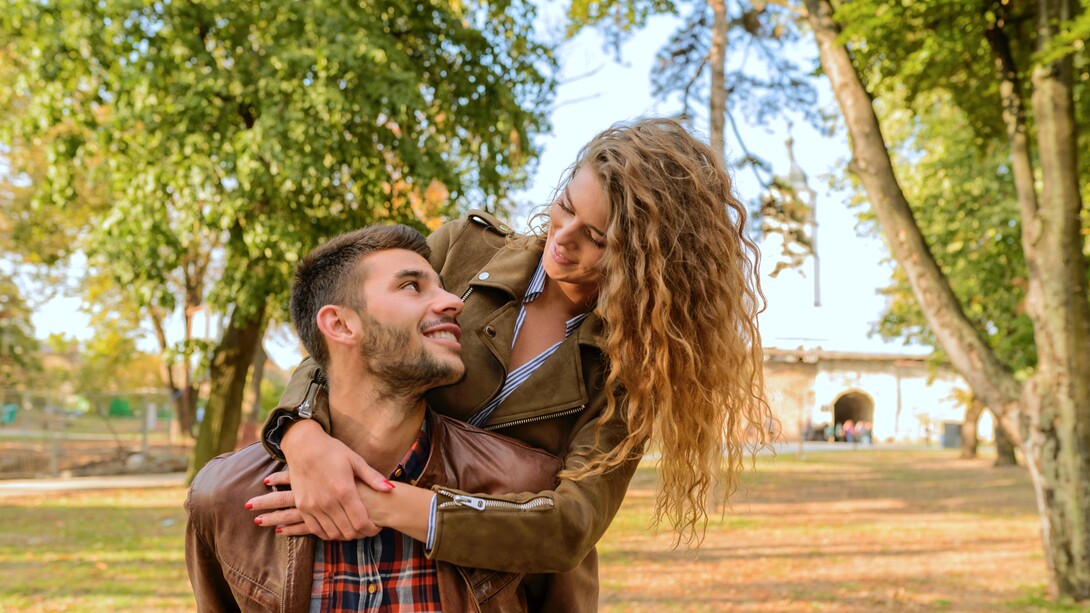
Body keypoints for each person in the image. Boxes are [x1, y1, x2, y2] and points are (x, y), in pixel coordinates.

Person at [250, 117, 774, 610]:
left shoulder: (634, 372)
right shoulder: (462, 250)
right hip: (357, 554)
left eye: (596, 238)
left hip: (507, 592)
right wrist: (301, 434)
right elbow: (343, 339)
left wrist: (384, 503)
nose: (562, 240)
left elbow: (569, 525)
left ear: (648, 262)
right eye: (566, 207)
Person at [185, 225, 561, 612]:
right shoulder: (223, 497)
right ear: (340, 325)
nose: (453, 302)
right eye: (412, 287)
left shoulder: (524, 487)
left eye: (443, 287)